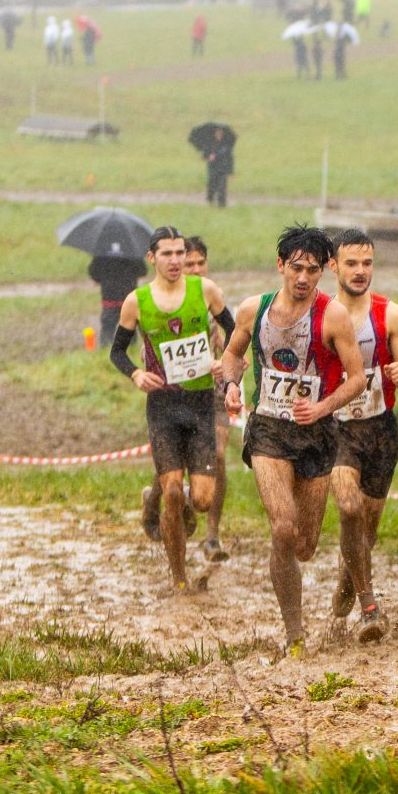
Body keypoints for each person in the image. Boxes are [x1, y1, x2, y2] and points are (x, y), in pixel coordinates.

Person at [216, 226, 366, 655]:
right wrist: (230, 383)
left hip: (317, 434)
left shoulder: (332, 315)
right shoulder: (252, 310)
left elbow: (356, 379)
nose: (303, 278)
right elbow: (232, 355)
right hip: (268, 430)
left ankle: (346, 577)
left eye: (313, 271)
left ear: (324, 272)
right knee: (282, 527)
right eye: (296, 268)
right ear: (280, 265)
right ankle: (294, 634)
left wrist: (322, 407)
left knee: (304, 545)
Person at [111, 229, 232, 594]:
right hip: (162, 406)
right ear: (152, 258)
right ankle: (178, 577)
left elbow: (235, 330)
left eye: (181, 253)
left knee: (201, 499)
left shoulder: (205, 291)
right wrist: (135, 373)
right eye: (168, 254)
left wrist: (222, 362)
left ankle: (163, 503)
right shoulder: (137, 301)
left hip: (199, 405)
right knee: (174, 494)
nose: (176, 260)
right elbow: (117, 351)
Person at [320, 226, 398, 643]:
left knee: (368, 528)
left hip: (380, 429)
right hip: (336, 430)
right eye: (352, 264)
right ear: (333, 266)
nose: (360, 272)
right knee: (348, 506)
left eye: (367, 263)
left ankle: (349, 575)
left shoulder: (390, 313)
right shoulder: (320, 313)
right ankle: (369, 605)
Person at [180, 236, 231, 560]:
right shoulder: (165, 301)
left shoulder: (215, 297)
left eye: (201, 263)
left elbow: (236, 339)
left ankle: (212, 535)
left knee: (220, 456)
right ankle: (180, 496)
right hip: (177, 394)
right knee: (182, 460)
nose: (196, 269)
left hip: (213, 392)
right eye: (189, 264)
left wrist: (224, 365)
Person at [88, 244, 146, 350]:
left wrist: (106, 278)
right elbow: (142, 270)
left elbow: (93, 273)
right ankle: (130, 350)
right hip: (129, 298)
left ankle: (105, 351)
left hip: (109, 298)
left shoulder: (102, 251)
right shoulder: (132, 249)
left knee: (108, 328)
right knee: (130, 328)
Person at [199, 135, 234, 208]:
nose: (219, 134)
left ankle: (222, 204)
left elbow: (230, 158)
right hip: (213, 169)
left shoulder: (226, 145)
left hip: (223, 169)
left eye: (220, 133)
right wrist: (208, 156)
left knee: (222, 187)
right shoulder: (209, 144)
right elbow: (204, 155)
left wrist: (230, 171)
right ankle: (210, 199)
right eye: (217, 132)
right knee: (212, 185)